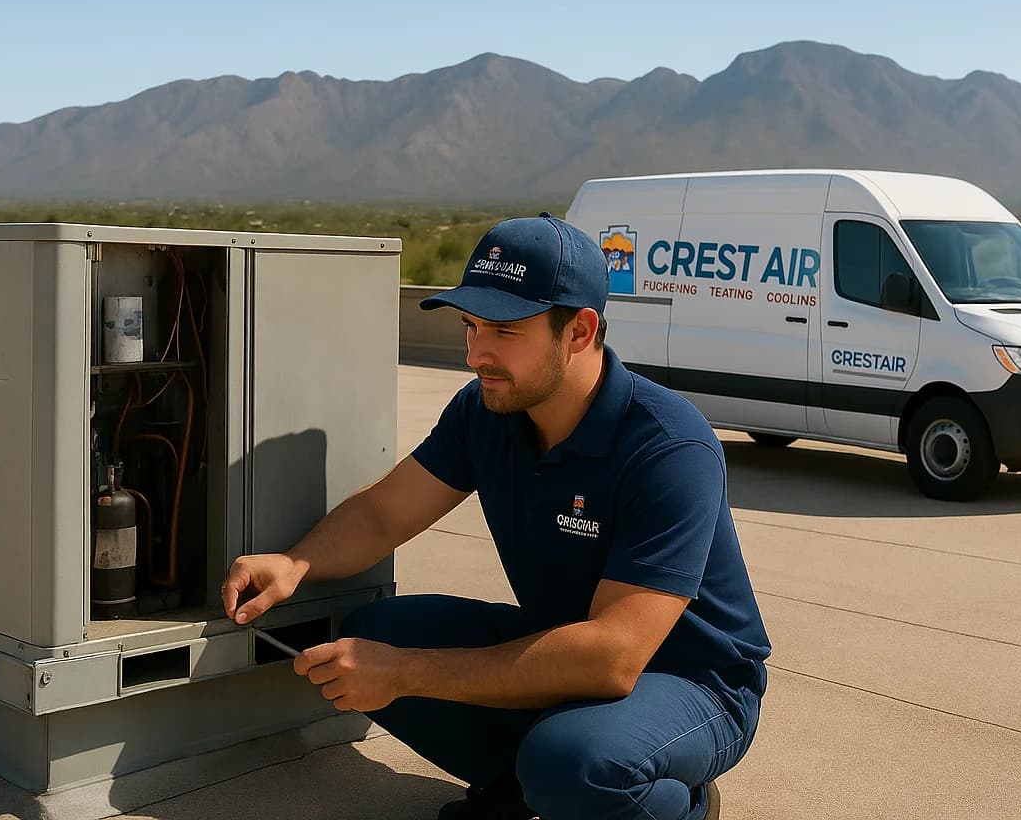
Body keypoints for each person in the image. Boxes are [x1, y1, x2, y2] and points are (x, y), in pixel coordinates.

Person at [221, 213, 770, 820]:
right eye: (470, 326)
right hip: (562, 649)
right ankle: (527, 789)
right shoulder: (488, 411)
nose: (476, 353)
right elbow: (383, 513)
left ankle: (673, 804)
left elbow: (613, 657)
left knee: (574, 761)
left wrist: (406, 674)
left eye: (505, 330)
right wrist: (294, 562)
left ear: (580, 331)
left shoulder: (668, 446)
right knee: (372, 635)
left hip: (691, 683)